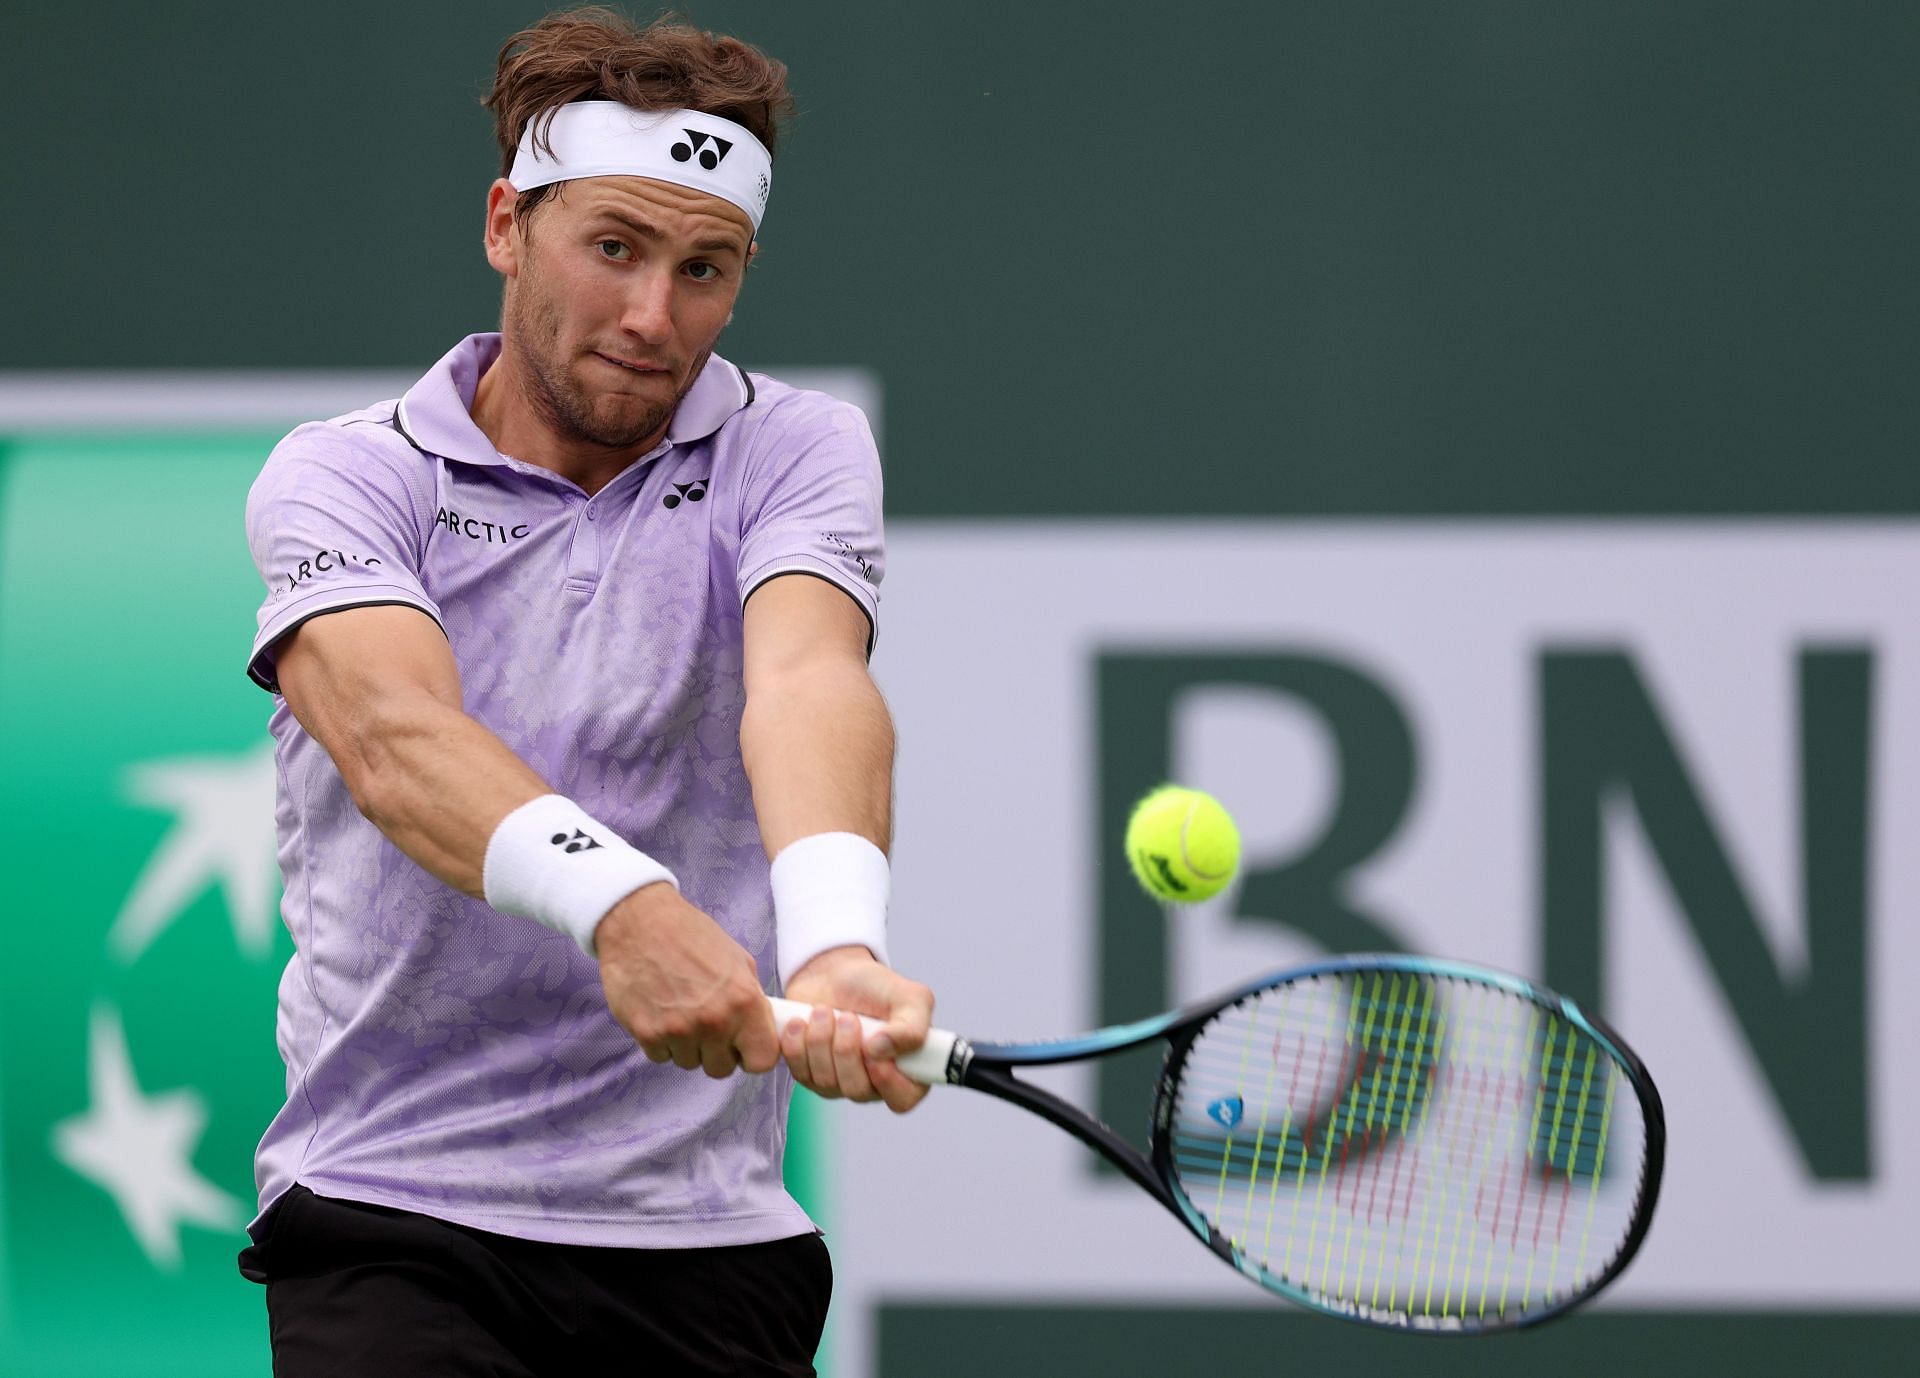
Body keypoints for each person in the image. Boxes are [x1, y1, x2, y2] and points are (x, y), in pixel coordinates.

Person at [233, 10, 933, 1375]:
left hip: (708, 1242)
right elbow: (395, 737)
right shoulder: (345, 477)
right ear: (508, 225)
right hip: (395, 1212)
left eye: (704, 267)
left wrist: (837, 937)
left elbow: (805, 678)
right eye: (612, 247)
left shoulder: (792, 448)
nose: (651, 316)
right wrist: (626, 905)